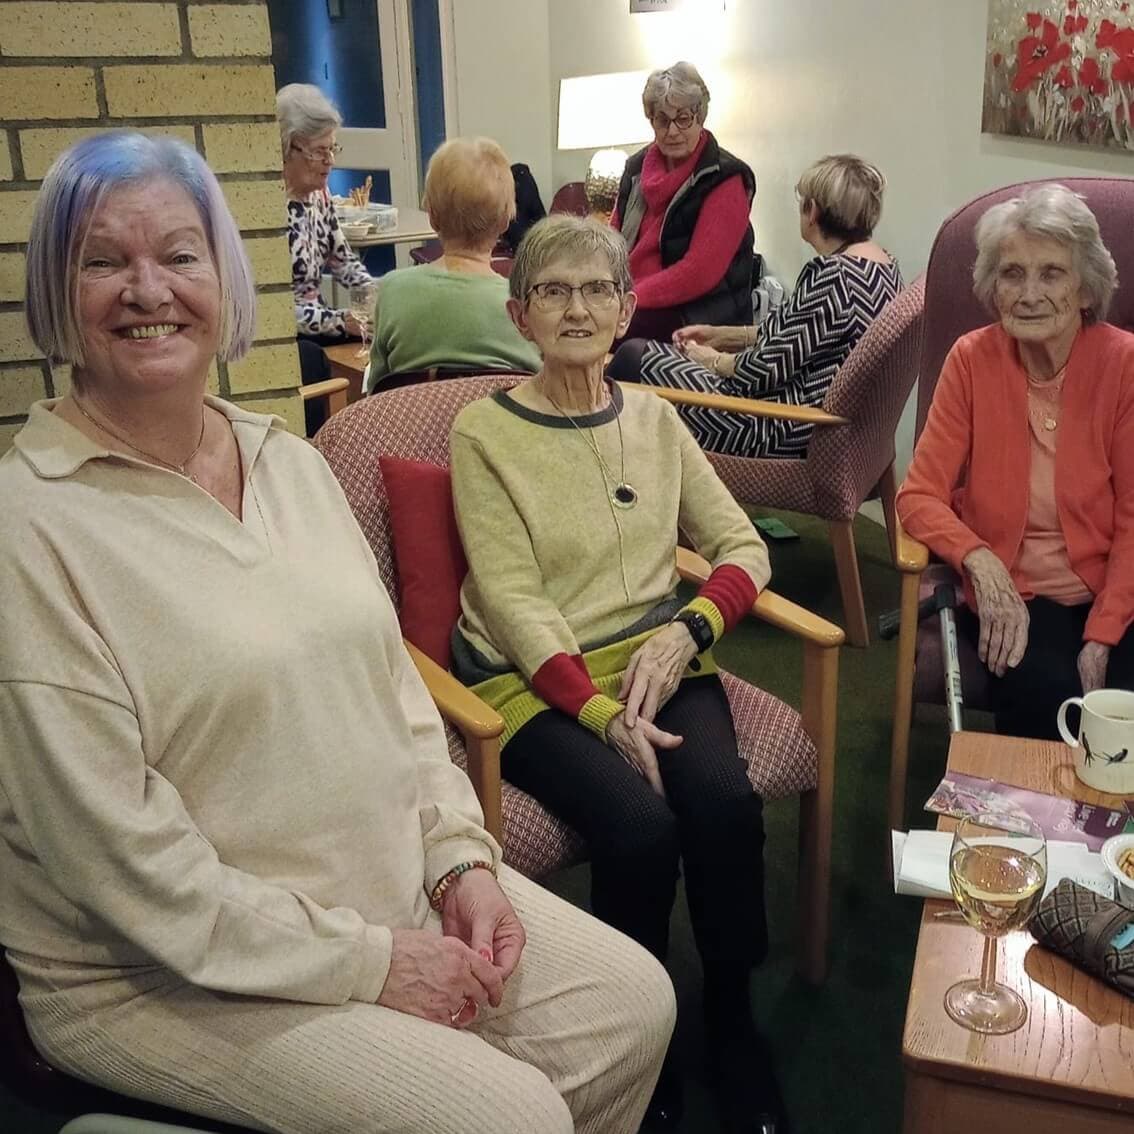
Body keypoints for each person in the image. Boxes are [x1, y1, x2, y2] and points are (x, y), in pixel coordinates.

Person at [0, 131, 675, 1134]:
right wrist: (373, 965)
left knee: (634, 1007)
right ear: (58, 295)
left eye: (180, 255)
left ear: (224, 278)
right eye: (104, 261)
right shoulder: (30, 527)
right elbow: (127, 871)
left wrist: (461, 860)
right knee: (508, 1119)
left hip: (379, 877)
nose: (149, 290)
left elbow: (396, 697)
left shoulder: (290, 462)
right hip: (156, 971)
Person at [449, 215, 786, 1134]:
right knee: (638, 828)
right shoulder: (483, 433)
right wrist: (600, 713)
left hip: (660, 654)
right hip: (531, 679)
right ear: (519, 314)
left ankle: (729, 1015)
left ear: (627, 307)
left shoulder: (658, 417)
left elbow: (742, 546)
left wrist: (688, 630)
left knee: (722, 802)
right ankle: (644, 1043)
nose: (578, 307)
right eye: (552, 290)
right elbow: (513, 602)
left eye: (598, 289)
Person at [898, 183, 1134, 738]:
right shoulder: (972, 360)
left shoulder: (1123, 365)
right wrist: (979, 561)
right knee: (1045, 695)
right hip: (1022, 593)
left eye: (1051, 273)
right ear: (992, 286)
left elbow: (1132, 517)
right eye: (1012, 274)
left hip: (1117, 584)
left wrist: (1103, 633)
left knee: (1121, 707)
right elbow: (918, 495)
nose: (1029, 293)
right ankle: (1034, 826)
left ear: (1084, 287)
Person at [610, 155, 902, 458]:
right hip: (812, 419)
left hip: (773, 426)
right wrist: (722, 336)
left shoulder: (834, 278)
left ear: (812, 211)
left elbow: (761, 373)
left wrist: (708, 359)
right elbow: (797, 338)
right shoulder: (881, 267)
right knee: (648, 356)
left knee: (632, 356)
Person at [366, 138, 540, 391]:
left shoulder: (392, 289)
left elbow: (376, 389)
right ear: (505, 222)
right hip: (500, 429)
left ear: (433, 217)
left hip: (412, 429)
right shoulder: (525, 305)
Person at [611, 61, 756, 343]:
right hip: (632, 301)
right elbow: (611, 243)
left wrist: (626, 301)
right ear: (651, 120)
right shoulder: (636, 169)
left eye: (683, 118)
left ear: (700, 117)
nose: (672, 131)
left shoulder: (724, 177)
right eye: (662, 120)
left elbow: (698, 273)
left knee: (607, 335)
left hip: (696, 317)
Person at [276, 84, 372, 381]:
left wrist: (378, 300)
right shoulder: (266, 210)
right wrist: (343, 321)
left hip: (324, 326)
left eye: (332, 148)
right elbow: (275, 313)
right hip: (290, 339)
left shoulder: (320, 195)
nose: (330, 160)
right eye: (320, 151)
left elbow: (344, 263)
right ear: (287, 147)